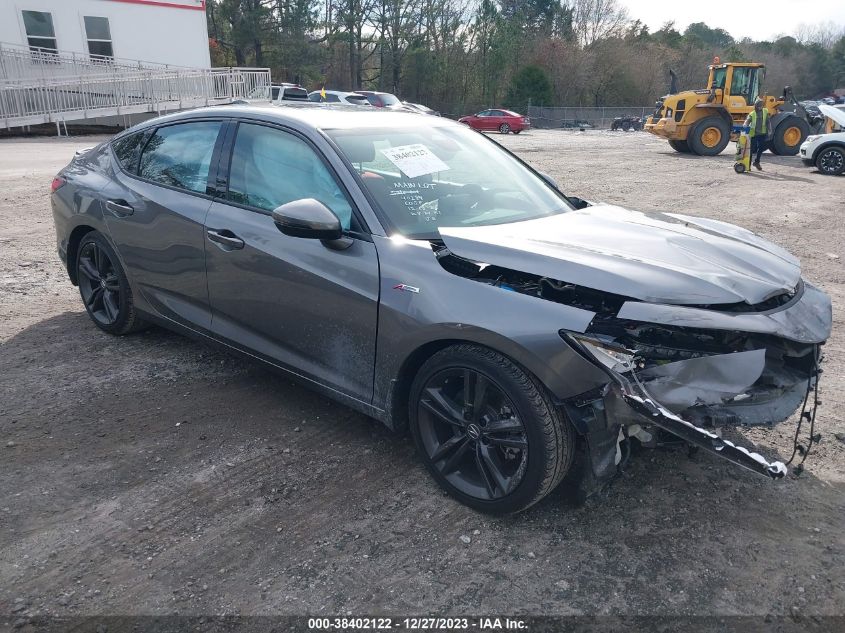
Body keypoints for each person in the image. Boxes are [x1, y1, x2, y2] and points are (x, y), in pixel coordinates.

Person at [744, 99, 770, 171]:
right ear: (756, 106)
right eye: (759, 106)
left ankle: (757, 162)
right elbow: (748, 120)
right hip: (754, 135)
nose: (760, 107)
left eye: (761, 106)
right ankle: (748, 165)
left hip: (762, 134)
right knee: (751, 150)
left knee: (761, 148)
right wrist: (745, 124)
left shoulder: (765, 111)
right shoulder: (752, 113)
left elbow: (768, 121)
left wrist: (769, 130)